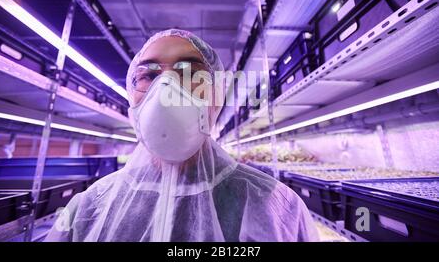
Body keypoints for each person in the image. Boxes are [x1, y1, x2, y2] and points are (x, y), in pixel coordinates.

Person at [44, 29, 319, 242]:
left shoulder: (275, 204)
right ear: (132, 96)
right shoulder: (89, 206)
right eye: (148, 76)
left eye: (189, 72)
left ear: (216, 95)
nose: (166, 87)